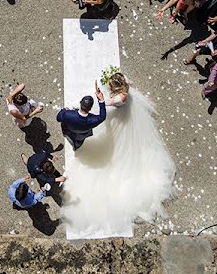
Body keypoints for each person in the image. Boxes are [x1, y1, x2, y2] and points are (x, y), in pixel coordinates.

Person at [59, 71, 176, 238]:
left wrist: (100, 98)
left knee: (114, 146)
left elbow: (105, 105)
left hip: (117, 117)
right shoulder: (125, 89)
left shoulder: (118, 99)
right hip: (124, 112)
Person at [56, 82, 106, 150]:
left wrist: (64, 110)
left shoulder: (67, 114)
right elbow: (102, 117)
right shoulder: (93, 120)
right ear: (90, 108)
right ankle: (76, 146)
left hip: (69, 130)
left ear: (80, 103)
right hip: (83, 134)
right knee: (79, 142)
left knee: (69, 136)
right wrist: (101, 100)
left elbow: (58, 118)